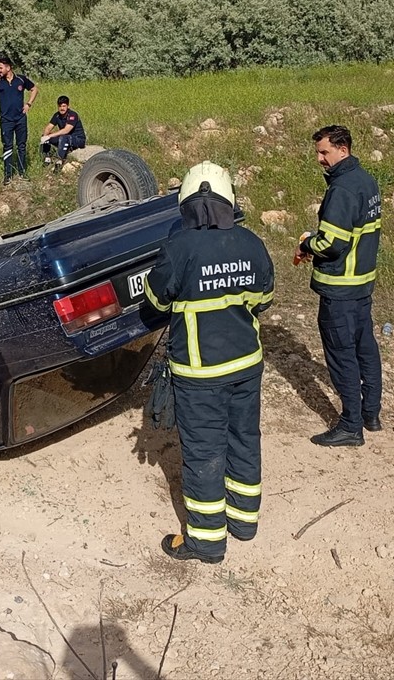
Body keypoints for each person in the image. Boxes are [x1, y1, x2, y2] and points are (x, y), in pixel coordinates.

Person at [145, 161, 275, 564]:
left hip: (200, 375)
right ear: (228, 201)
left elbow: (155, 301)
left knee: (204, 451)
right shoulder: (251, 243)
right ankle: (243, 521)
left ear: (186, 203)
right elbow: (263, 300)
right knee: (244, 439)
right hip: (246, 365)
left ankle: (205, 540)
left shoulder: (178, 248)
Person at [295, 125, 383, 448]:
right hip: (361, 285)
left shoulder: (342, 189)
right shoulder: (367, 181)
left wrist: (306, 246)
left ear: (342, 150)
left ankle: (350, 425)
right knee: (366, 349)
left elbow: (332, 242)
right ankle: (371, 414)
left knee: (342, 355)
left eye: (324, 152)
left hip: (339, 289)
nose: (319, 159)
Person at [0, 54, 38, 185]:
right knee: (7, 147)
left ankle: (22, 172)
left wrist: (28, 104)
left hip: (20, 119)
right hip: (6, 120)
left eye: (0, 67)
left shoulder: (20, 79)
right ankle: (7, 175)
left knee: (21, 146)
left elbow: (34, 89)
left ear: (8, 68)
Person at [39, 96, 86, 172]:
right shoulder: (57, 115)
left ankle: (59, 161)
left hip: (77, 139)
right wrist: (45, 136)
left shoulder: (72, 115)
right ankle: (47, 159)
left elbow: (66, 130)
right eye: (60, 106)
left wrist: (49, 136)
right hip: (64, 138)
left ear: (68, 106)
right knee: (46, 137)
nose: (62, 108)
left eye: (64, 106)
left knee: (63, 137)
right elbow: (48, 127)